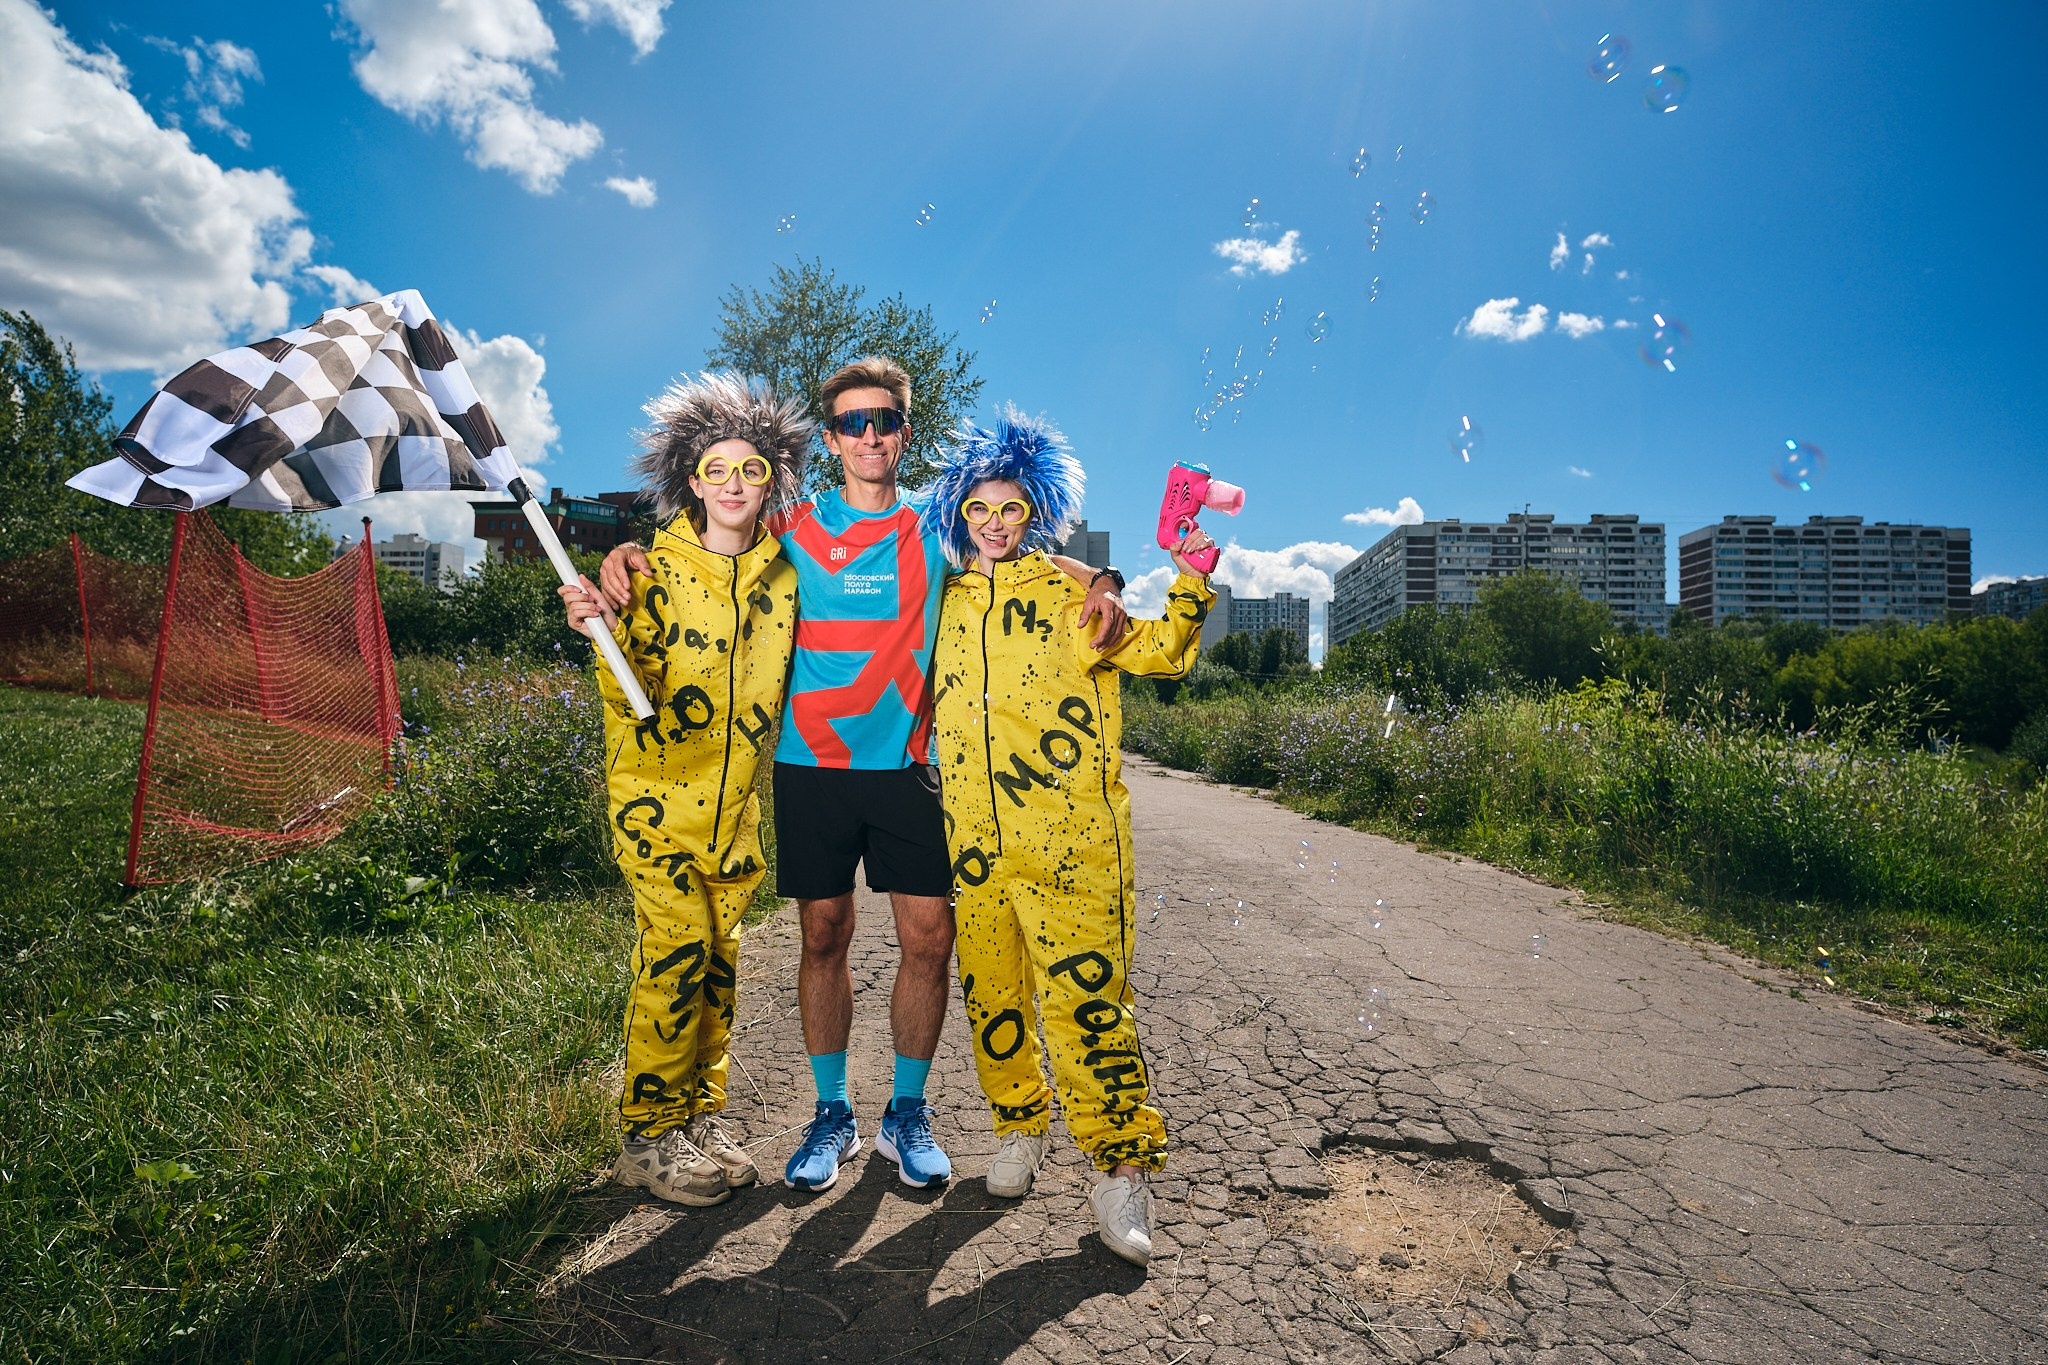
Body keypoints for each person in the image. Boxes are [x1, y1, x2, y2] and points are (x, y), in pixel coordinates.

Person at [599, 357, 1129, 1194]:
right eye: (852, 422)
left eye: (883, 419)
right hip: (809, 770)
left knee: (930, 939)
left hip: (911, 772)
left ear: (904, 431)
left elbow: (1022, 559)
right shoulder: (793, 525)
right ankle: (832, 1112)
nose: (869, 435)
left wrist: (1099, 578)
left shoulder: (939, 521)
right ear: (835, 435)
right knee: (822, 937)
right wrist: (628, 550)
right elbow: (709, 545)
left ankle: (905, 1114)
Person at [919, 407, 1216, 1268]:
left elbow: (1164, 654)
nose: (995, 524)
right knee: (995, 1001)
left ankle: (1121, 1168)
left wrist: (1186, 580)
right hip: (975, 848)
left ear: (1036, 512)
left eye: (1011, 509)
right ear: (958, 514)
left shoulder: (1072, 595)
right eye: (980, 509)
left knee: (1090, 1012)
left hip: (1075, 850)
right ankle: (1019, 1127)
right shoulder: (944, 601)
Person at [561, 372, 808, 1207]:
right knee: (674, 956)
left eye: (752, 470)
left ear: (773, 479)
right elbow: (628, 687)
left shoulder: (788, 573)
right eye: (716, 469)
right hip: (657, 805)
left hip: (737, 817)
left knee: (719, 964)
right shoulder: (651, 571)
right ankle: (644, 1135)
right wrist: (600, 622)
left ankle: (697, 1117)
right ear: (689, 479)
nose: (734, 484)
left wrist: (1100, 578)